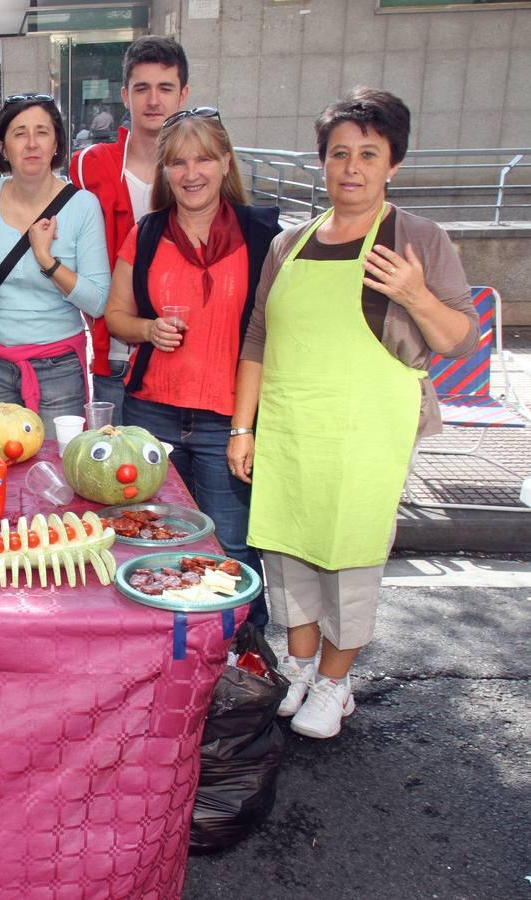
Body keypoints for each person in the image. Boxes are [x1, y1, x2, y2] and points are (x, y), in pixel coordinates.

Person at [229, 88, 477, 739]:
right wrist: (243, 427)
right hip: (290, 429)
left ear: (394, 163)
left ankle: (336, 683)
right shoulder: (289, 244)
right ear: (322, 161)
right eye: (339, 153)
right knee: (287, 553)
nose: (352, 167)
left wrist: (416, 294)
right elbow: (258, 337)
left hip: (366, 436)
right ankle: (301, 666)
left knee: (351, 558)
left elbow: (460, 338)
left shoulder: (419, 239)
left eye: (369, 154)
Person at [103, 109, 280, 628]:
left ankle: (246, 651)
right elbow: (115, 316)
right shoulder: (148, 232)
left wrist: (248, 426)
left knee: (233, 547)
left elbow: (277, 331)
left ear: (226, 162)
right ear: (165, 172)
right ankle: (171, 648)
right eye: (178, 162)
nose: (191, 173)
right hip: (152, 414)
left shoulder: (262, 235)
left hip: (228, 418)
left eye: (203, 158)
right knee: (152, 542)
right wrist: (147, 329)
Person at [0, 95, 110, 440]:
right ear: (3, 147)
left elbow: (98, 301)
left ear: (56, 143)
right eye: (19, 133)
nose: (31, 143)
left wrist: (47, 260)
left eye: (42, 132)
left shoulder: (83, 206)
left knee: (57, 465)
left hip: (59, 370)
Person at [69, 36, 191, 423]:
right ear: (125, 95)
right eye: (142, 88)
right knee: (112, 459)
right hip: (117, 357)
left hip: (184, 353)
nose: (153, 100)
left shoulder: (199, 174)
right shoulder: (89, 166)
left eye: (165, 88)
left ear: (183, 94)